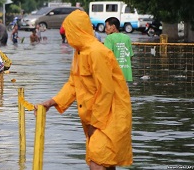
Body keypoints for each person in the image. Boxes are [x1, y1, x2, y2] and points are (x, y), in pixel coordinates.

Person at [36, 10, 133, 169]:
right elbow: (73, 83)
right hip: (96, 117)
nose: (67, 36)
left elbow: (106, 90)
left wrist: (95, 123)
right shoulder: (79, 53)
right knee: (103, 161)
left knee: (97, 161)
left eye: (69, 32)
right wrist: (52, 102)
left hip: (110, 115)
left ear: (77, 30)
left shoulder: (97, 52)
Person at [104, 17, 134, 82]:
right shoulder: (127, 37)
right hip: (126, 73)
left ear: (113, 27)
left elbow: (106, 56)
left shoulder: (109, 38)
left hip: (114, 74)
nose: (105, 30)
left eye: (106, 27)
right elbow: (131, 56)